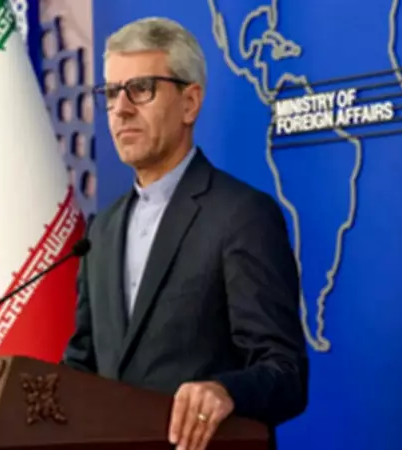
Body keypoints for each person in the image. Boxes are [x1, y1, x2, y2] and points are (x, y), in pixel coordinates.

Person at [61, 16, 308, 450]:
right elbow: (82, 367)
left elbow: (285, 372)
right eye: (112, 93)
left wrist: (225, 390)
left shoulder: (241, 216)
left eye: (141, 89)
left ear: (190, 103)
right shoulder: (100, 231)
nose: (121, 109)